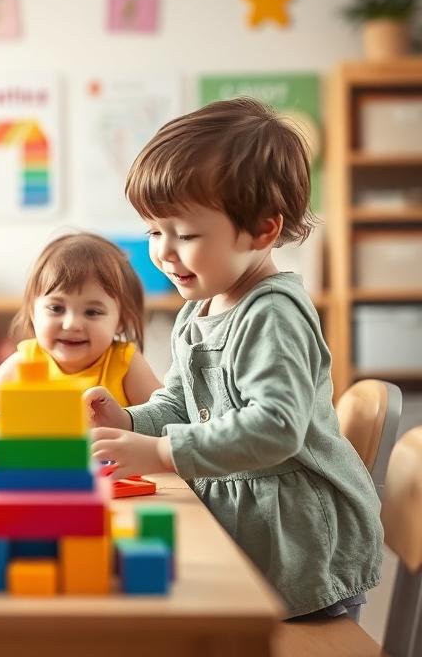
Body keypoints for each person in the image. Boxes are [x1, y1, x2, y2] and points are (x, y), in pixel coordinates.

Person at [88, 98, 382, 619]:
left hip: (298, 548)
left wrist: (159, 453)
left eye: (188, 235)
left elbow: (276, 427)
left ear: (264, 230)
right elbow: (181, 401)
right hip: (250, 528)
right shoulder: (201, 305)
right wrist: (130, 420)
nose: (163, 252)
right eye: (155, 231)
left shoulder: (272, 314)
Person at [0, 232, 160, 408]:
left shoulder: (124, 363)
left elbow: (163, 416)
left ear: (121, 321)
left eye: (92, 312)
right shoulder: (26, 360)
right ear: (33, 313)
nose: (71, 324)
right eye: (56, 308)